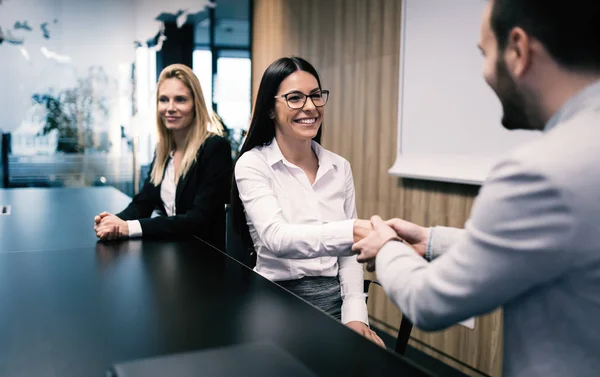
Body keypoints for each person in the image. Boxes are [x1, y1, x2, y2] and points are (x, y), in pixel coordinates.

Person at [352, 0, 600, 376]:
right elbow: (557, 241)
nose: (485, 73)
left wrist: (384, 247)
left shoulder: (539, 171)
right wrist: (431, 240)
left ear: (518, 49)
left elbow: (429, 303)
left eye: (485, 54)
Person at [231, 57, 384, 347]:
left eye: (315, 95)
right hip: (273, 299)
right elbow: (278, 238)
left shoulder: (340, 167)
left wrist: (355, 315)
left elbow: (348, 258)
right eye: (295, 98)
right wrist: (350, 232)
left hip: (334, 301)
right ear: (270, 109)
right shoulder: (252, 164)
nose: (310, 106)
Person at [94, 64, 232, 250]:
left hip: (203, 260)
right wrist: (114, 220)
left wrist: (129, 227)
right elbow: (144, 201)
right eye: (164, 99)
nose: (170, 108)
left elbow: (199, 219)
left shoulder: (215, 147)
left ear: (195, 105)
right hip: (169, 253)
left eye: (180, 100)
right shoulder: (164, 150)